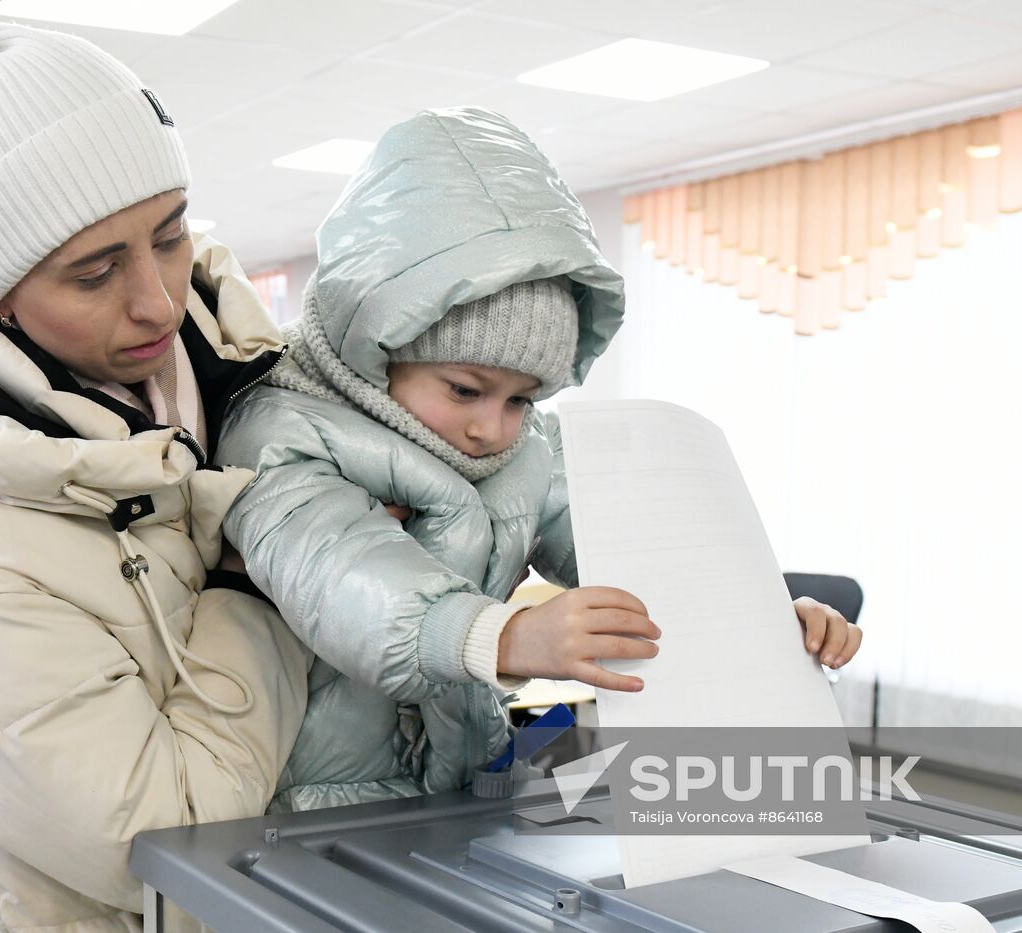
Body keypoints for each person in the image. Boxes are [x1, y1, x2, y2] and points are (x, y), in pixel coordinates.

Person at [216, 108, 863, 812]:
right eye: (465, 389)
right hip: (316, 804)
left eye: (523, 399)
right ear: (377, 345)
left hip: (465, 785)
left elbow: (634, 555)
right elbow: (340, 574)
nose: (492, 427)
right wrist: (510, 634)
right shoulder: (282, 432)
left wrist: (760, 614)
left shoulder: (528, 452)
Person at [0, 22, 310, 931]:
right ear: (2, 293)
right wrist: (264, 575)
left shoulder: (267, 389)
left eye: (171, 235)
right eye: (95, 271)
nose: (158, 299)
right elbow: (174, 851)